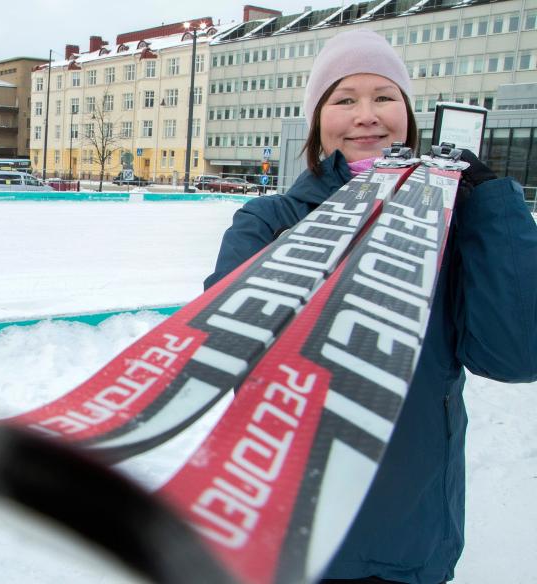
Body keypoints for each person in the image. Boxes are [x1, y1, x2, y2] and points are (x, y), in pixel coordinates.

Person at [204, 29, 537, 584]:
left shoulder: (455, 226)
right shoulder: (268, 222)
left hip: (410, 534)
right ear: (317, 122)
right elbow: (229, 351)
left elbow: (515, 356)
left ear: (408, 116)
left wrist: (493, 209)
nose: (367, 115)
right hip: (291, 532)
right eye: (344, 99)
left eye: (384, 97)